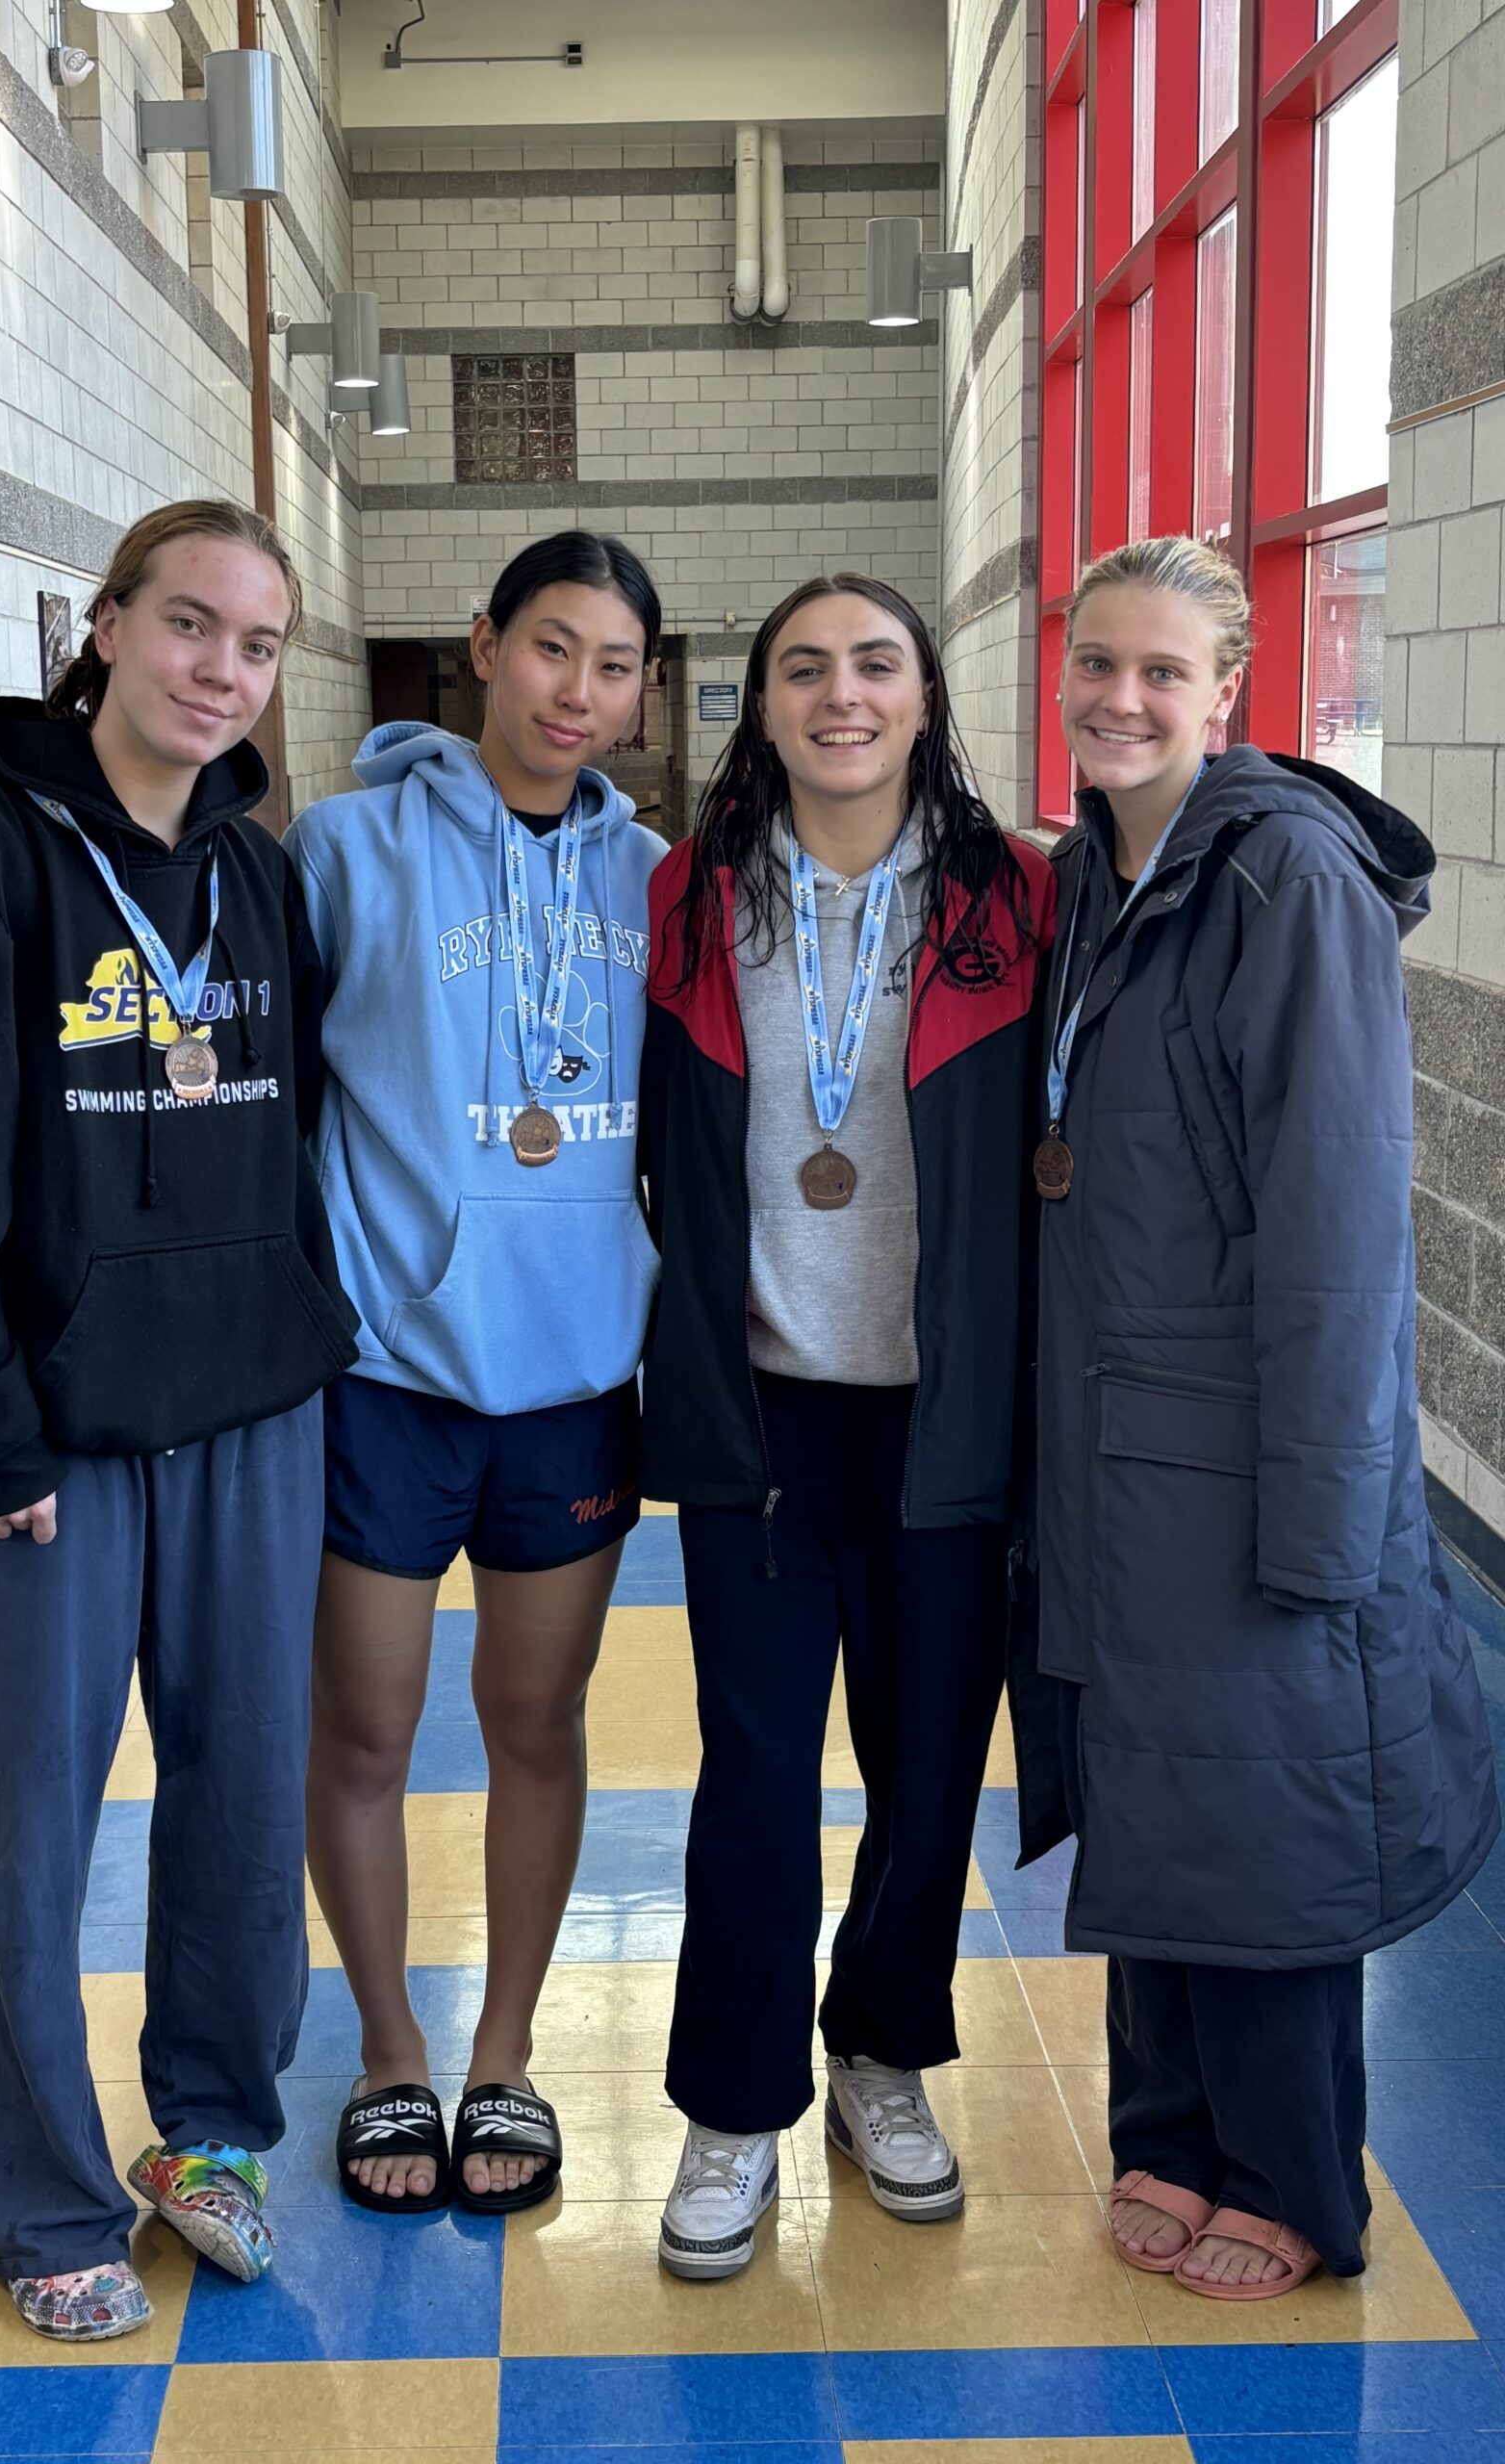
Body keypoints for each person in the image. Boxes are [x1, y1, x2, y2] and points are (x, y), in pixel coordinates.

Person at [0, 500, 358, 2342]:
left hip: (248, 1415)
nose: (223, 670)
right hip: (50, 1439)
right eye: (191, 626)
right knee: (33, 1827)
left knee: (239, 1804)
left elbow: (288, 1137)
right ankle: (44, 2192)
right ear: (110, 627)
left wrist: (302, 1329)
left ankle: (211, 2132)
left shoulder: (263, 875)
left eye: (260, 644)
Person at [1021, 532, 1498, 2299]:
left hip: (1241, 1451)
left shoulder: (1283, 876)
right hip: (1115, 1438)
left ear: (1233, 691)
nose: (1123, 700)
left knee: (1266, 1810)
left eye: (1163, 673)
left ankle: (1293, 2178)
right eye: (1097, 667)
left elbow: (1340, 1221)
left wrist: (1325, 1510)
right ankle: (1167, 2136)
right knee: (1161, 1803)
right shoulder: (1098, 871)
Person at [639, 574, 1054, 2279]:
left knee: (930, 1770)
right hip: (759, 1413)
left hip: (948, 1418)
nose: (841, 695)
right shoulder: (690, 896)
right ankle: (735, 2105)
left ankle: (883, 2051)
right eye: (802, 668)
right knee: (752, 1780)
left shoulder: (1016, 893)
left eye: (875, 663)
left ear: (927, 696)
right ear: (762, 704)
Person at [286, 530, 665, 2216]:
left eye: (615, 665)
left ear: (646, 691)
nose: (577, 692)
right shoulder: (343, 850)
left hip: (575, 1377)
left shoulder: (657, 878)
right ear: (483, 647)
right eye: (551, 650)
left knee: (537, 1724)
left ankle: (503, 2050)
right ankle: (388, 2054)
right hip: (385, 1371)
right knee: (364, 1731)